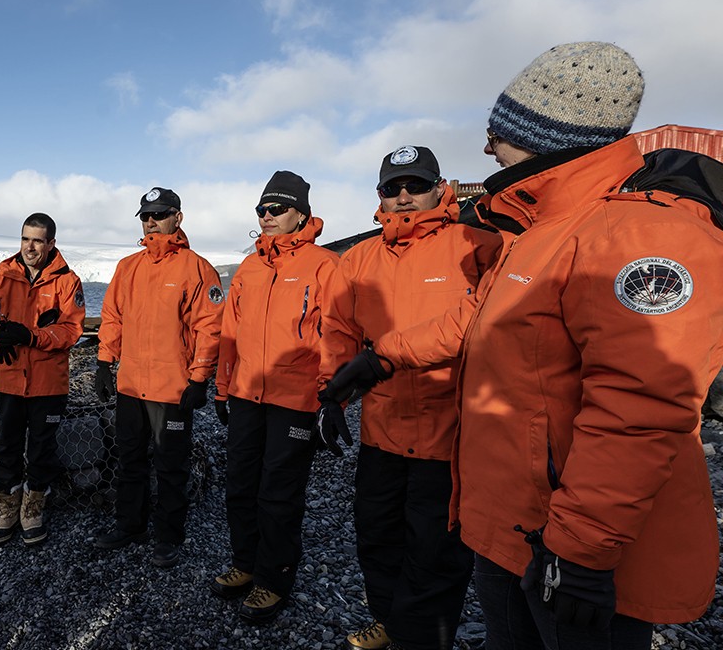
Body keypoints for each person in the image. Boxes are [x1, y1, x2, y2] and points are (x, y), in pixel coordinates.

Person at [324, 42, 723, 649]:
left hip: (569, 540)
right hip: (510, 523)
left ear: (545, 134)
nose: (486, 149)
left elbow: (640, 410)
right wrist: (382, 358)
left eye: (497, 132)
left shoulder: (639, 234)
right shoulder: (539, 232)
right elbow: (476, 318)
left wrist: (585, 551)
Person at [317, 147, 501, 649]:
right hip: (383, 429)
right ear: (378, 195)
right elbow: (338, 330)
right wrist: (333, 396)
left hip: (452, 434)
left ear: (441, 188)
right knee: (376, 537)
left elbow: (484, 325)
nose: (404, 197)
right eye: (392, 187)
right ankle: (391, 623)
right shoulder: (357, 258)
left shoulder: (479, 245)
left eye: (415, 185)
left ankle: (420, 638)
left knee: (437, 550)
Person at [210, 171, 340, 624]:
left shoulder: (324, 265)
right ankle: (246, 564)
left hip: (295, 399)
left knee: (279, 494)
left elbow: (336, 336)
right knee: (241, 486)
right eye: (261, 210)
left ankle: (274, 579)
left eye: (276, 209)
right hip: (247, 393)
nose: (267, 217)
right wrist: (223, 388)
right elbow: (230, 333)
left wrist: (331, 398)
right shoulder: (249, 267)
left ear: (300, 214)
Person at [93, 187, 224, 568]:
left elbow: (210, 327)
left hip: (173, 389)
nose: (151, 221)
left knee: (171, 464)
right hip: (131, 383)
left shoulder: (196, 268)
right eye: (146, 215)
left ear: (177, 217)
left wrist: (200, 379)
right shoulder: (128, 267)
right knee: (129, 458)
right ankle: (129, 525)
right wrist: (104, 362)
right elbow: (113, 316)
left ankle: (169, 535)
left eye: (160, 213)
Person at [0, 213, 86, 546]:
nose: (30, 247)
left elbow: (71, 330)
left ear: (51, 244)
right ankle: (6, 509)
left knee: (42, 448)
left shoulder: (68, 282)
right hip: (10, 378)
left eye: (38, 240)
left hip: (49, 381)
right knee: (6, 446)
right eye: (25, 239)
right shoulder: (2, 274)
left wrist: (29, 336)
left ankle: (33, 510)